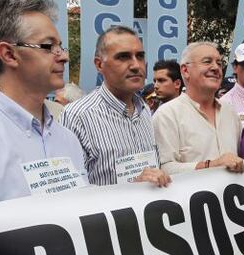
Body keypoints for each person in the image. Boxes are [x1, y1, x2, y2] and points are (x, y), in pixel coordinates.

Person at [0, 0, 87, 210]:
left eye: (61, 46)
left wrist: (134, 191)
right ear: (9, 54)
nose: (64, 57)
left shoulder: (68, 140)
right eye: (49, 46)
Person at [61, 26, 171, 187]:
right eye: (123, 57)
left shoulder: (144, 110)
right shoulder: (77, 115)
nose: (136, 65)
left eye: (140, 56)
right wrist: (130, 188)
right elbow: (71, 190)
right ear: (99, 65)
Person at [152, 42, 243, 175]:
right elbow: (164, 168)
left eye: (219, 63)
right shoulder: (166, 115)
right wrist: (210, 165)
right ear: (185, 71)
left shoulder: (230, 113)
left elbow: (242, 158)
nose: (216, 68)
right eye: (207, 62)